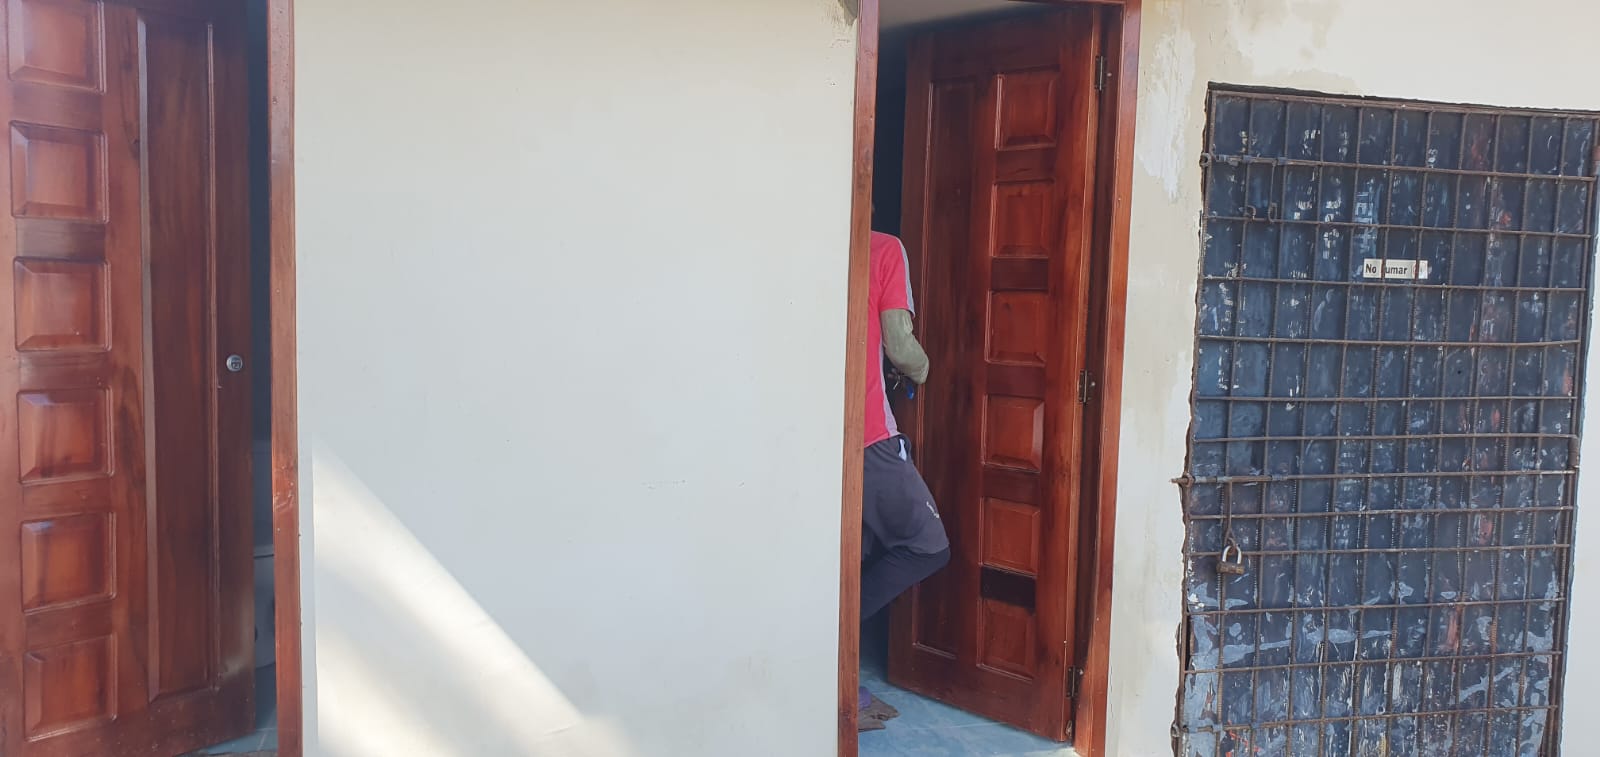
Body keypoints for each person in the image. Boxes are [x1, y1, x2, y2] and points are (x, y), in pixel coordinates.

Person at [858, 230, 951, 731]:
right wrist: (925, 370)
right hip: (868, 435)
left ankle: (834, 668)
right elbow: (899, 344)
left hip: (809, 437)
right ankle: (832, 643)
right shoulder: (883, 248)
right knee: (926, 545)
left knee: (851, 552)